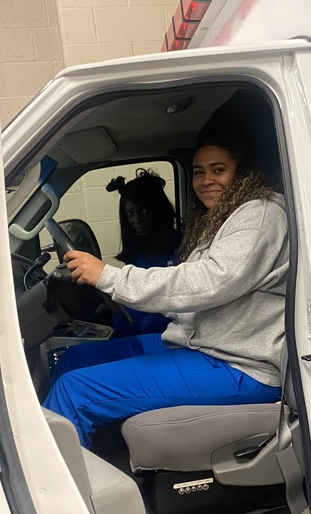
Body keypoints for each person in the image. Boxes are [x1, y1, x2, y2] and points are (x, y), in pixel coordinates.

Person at [44, 138, 288, 448]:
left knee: (73, 391)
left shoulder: (260, 213)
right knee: (72, 360)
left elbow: (211, 280)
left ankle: (53, 479)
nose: (206, 180)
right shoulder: (225, 217)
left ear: (243, 173)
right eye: (198, 172)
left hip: (241, 367)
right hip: (201, 345)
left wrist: (109, 277)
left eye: (218, 170)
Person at [106, 168, 183, 335]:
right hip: (143, 313)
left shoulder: (181, 244)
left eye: (144, 211)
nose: (137, 220)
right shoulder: (135, 250)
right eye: (130, 213)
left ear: (158, 210)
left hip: (173, 314)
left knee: (149, 323)